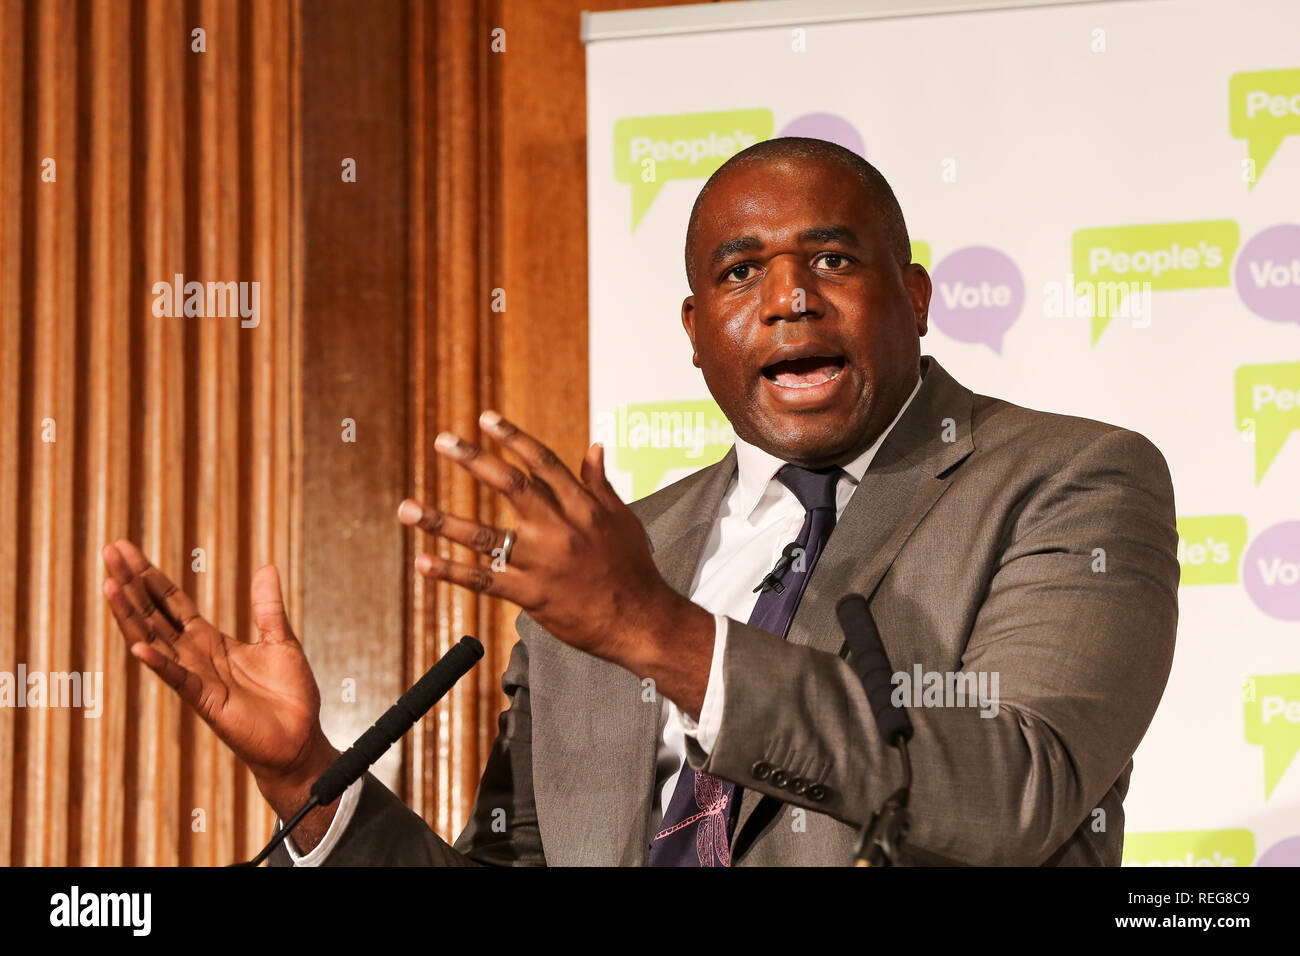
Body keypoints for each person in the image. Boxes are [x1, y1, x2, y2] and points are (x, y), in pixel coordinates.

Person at [101, 137, 1179, 866]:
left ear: (913, 296)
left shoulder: (1065, 480)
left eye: (832, 257)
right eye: (739, 272)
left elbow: (1021, 789)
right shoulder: (619, 550)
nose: (789, 296)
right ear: (696, 331)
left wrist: (650, 627)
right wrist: (306, 777)